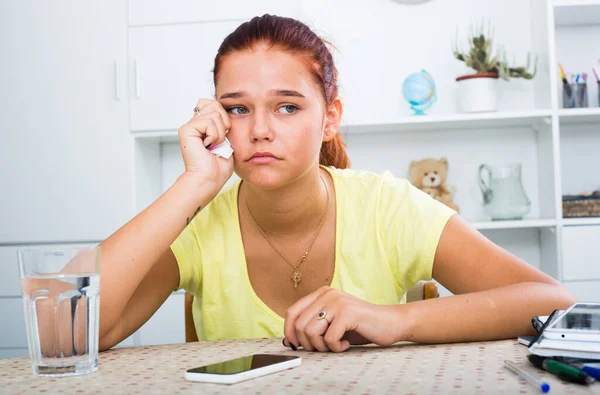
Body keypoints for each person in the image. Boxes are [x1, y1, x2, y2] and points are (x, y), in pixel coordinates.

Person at [97, 14, 576, 353]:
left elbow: (554, 303)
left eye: (287, 106)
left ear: (330, 118)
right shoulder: (198, 223)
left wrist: (394, 320)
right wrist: (194, 183)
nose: (260, 129)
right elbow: (72, 331)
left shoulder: (386, 207)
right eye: (239, 109)